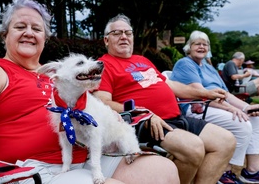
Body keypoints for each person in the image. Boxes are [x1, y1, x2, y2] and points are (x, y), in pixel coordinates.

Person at [0, 0, 180, 184]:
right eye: (20, 27)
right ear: (4, 34)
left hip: (87, 157)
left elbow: (96, 106)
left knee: (162, 170)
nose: (29, 32)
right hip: (34, 170)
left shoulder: (59, 74)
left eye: (36, 28)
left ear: (44, 37)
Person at [93, 14, 236, 184]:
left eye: (128, 33)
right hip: (144, 123)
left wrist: (205, 93)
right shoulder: (102, 66)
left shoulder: (143, 60)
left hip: (176, 118)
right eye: (117, 33)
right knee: (193, 148)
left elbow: (171, 86)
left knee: (226, 141)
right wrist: (144, 113)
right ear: (106, 40)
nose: (124, 36)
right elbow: (102, 103)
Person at [172, 30, 259, 184]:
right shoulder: (185, 63)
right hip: (197, 108)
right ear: (189, 47)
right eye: (197, 44)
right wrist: (231, 109)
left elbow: (227, 94)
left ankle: (252, 171)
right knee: (241, 122)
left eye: (205, 44)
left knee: (256, 120)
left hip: (215, 105)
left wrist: (247, 107)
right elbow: (201, 95)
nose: (202, 47)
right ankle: (224, 173)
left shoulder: (208, 67)